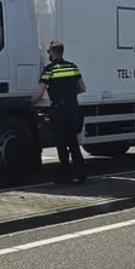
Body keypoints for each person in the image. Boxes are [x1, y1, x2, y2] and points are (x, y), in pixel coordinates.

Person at [31, 40, 87, 184]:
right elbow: (82, 88)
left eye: (49, 52)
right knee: (73, 143)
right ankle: (81, 175)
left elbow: (40, 93)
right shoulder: (72, 67)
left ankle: (65, 176)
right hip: (73, 110)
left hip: (59, 111)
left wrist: (30, 103)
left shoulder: (49, 70)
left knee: (62, 145)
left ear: (52, 53)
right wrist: (70, 94)